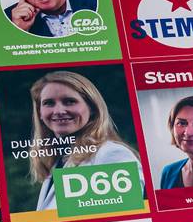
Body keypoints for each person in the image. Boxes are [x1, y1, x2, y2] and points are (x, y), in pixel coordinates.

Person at [26, 71, 142, 211]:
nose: (59, 110)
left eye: (69, 101)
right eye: (49, 103)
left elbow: (125, 215)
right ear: (39, 113)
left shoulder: (110, 154)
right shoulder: (58, 163)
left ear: (92, 108)